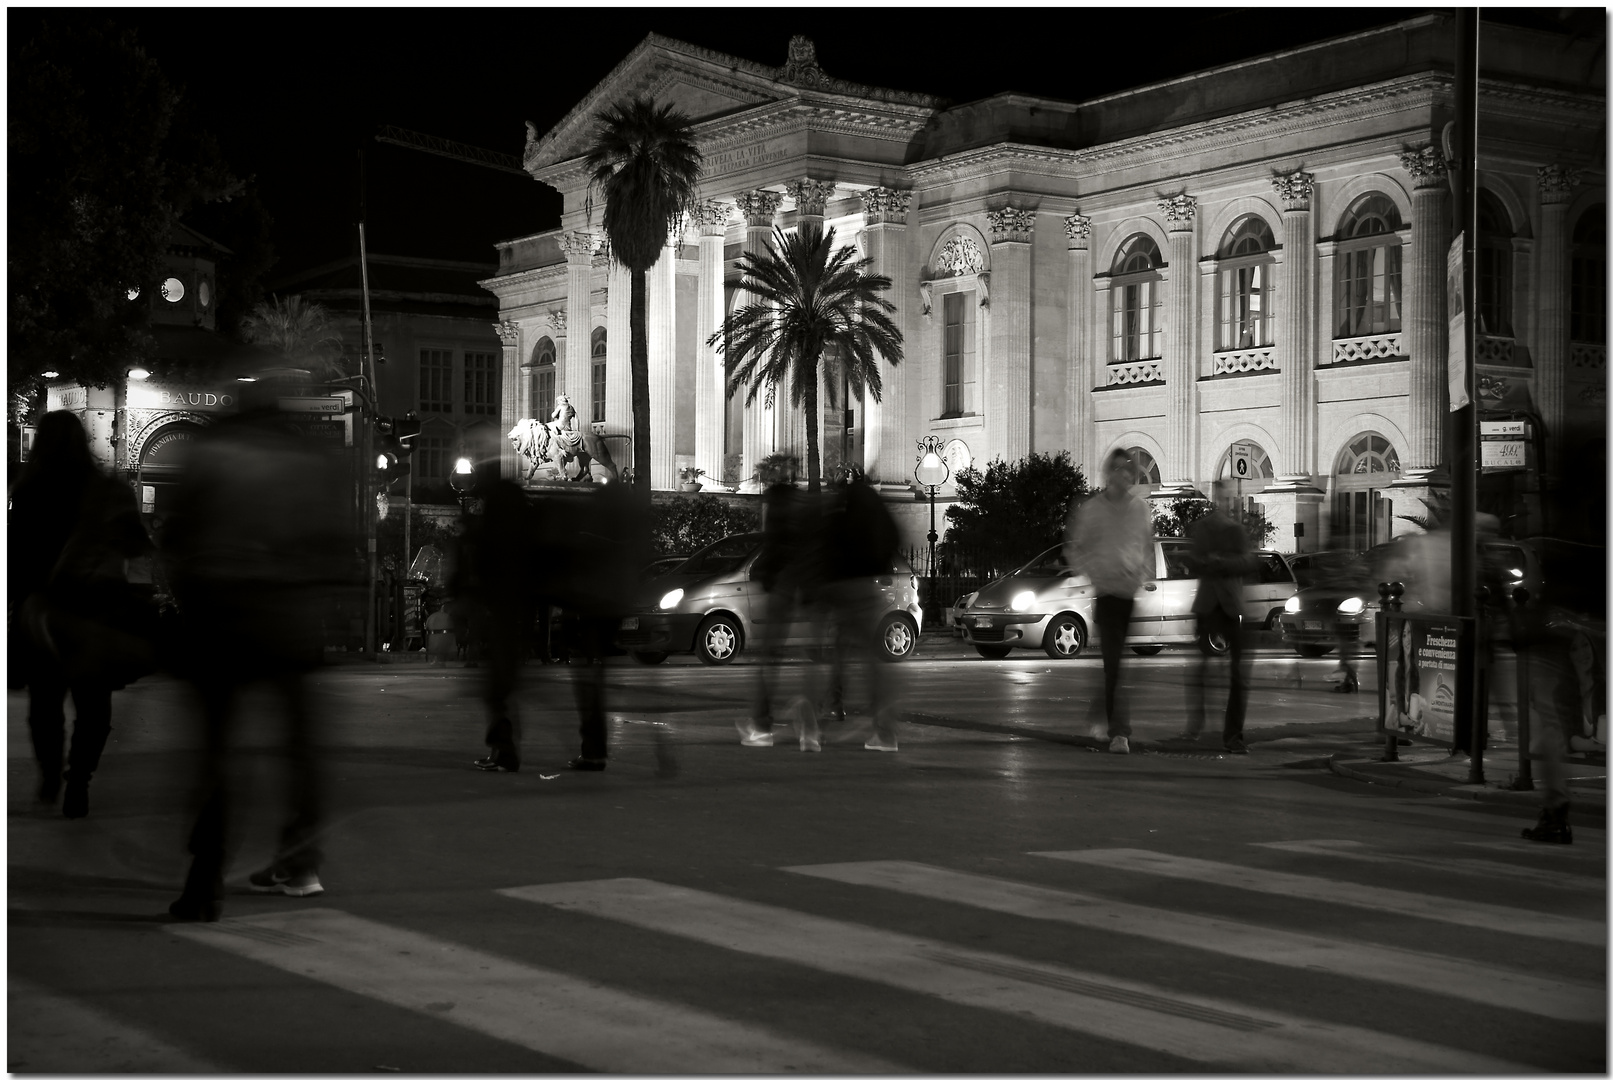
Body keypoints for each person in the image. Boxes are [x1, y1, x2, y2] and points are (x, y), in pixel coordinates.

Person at [161, 408, 353, 921]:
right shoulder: (307, 459)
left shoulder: (211, 454)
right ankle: (301, 862)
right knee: (299, 747)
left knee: (218, 750)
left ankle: (204, 880)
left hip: (222, 616)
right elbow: (336, 543)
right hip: (289, 622)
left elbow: (176, 535)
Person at [8, 411, 152, 818]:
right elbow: (136, 545)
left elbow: (16, 555)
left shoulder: (30, 489)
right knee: (93, 703)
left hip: (43, 613)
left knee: (45, 703)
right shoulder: (107, 490)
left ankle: (50, 775)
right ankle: (79, 781)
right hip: (96, 609)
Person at [452, 461, 544, 773]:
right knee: (502, 687)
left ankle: (503, 751)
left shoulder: (489, 534)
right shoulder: (523, 535)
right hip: (516, 615)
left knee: (497, 688)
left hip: (496, 615)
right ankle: (502, 749)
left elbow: (473, 572)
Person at [1065, 449, 1155, 754]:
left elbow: (1146, 546)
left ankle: (1103, 713)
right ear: (1108, 473)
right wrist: (1093, 573)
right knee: (1115, 663)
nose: (1122, 475)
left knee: (1114, 665)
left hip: (1128, 594)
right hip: (1105, 594)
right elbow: (1076, 547)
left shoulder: (1139, 509)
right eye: (1116, 469)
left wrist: (1140, 572)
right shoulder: (1093, 510)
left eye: (1127, 470)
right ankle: (1119, 732)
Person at [738, 457, 822, 749]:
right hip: (809, 585)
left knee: (769, 657)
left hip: (783, 585)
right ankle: (809, 725)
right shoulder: (808, 505)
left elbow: (772, 544)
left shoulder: (776, 504)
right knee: (813, 658)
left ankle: (761, 725)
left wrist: (765, 576)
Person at [820, 469, 903, 752]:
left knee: (842, 651)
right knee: (865, 656)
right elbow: (894, 535)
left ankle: (832, 708)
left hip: (845, 586)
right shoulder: (872, 503)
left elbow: (830, 544)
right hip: (868, 585)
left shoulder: (845, 506)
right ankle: (881, 728)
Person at [1176, 488, 1259, 753]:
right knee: (1203, 669)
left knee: (1238, 674)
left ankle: (1233, 735)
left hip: (1231, 605)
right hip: (1208, 605)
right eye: (1221, 496)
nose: (1225, 501)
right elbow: (1192, 559)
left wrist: (1221, 562)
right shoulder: (1202, 528)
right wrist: (1203, 562)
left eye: (1227, 497)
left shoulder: (1236, 530)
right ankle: (1197, 722)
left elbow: (1247, 562)